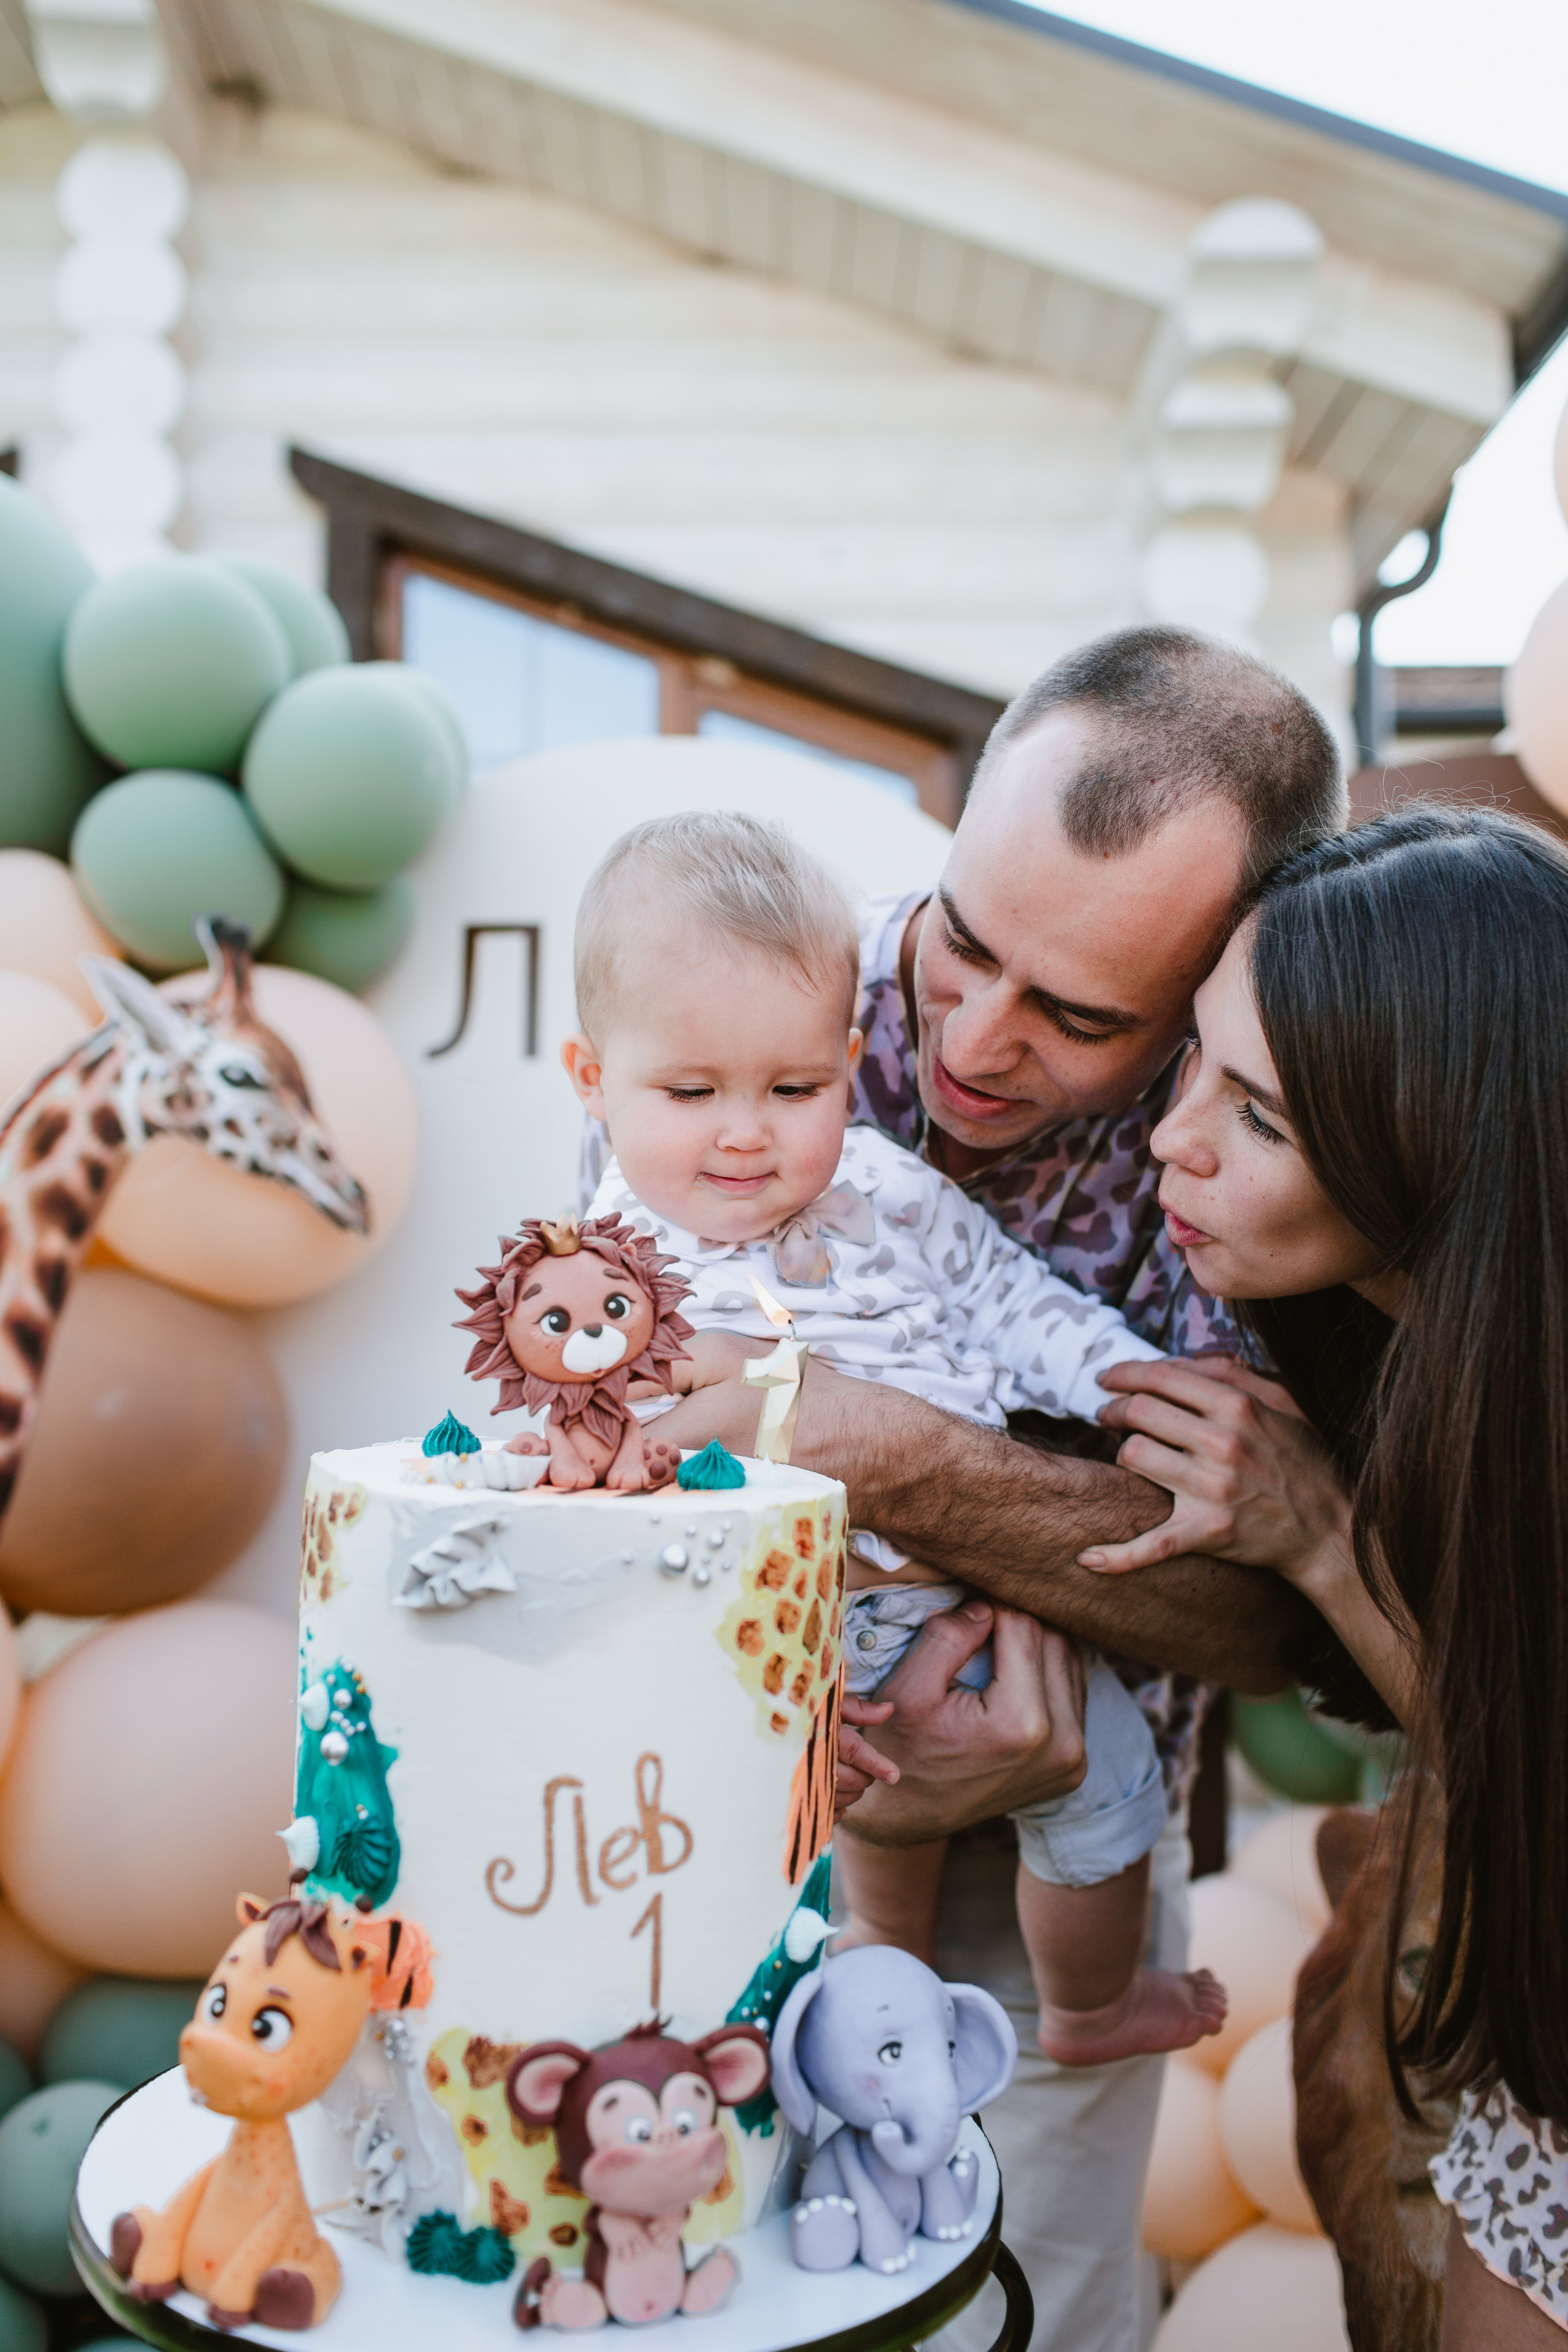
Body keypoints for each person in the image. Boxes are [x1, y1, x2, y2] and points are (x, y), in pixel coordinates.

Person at [582, 625, 1352, 2351]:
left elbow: (1264, 1617)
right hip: (701, 1828)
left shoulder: (1259, 1170)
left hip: (1062, 1874)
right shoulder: (742, 990)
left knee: (1024, 2314)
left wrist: (911, 1458)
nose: (973, 1041)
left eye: (1080, 1016)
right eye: (960, 942)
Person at [565, 809, 1227, 2065]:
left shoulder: (888, 1189)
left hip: (959, 1600)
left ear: (847, 1053)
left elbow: (1014, 1303)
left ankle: (1085, 2008)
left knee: (1104, 1788)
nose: (744, 1131)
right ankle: (880, 1992)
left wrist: (1125, 1382)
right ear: (593, 1082)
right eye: (691, 1092)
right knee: (862, 1845)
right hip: (766, 1643)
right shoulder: (607, 1269)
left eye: (793, 1087)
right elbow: (577, 1442)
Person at [1085, 805, 1568, 2347]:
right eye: (1194, 1062)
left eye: (1264, 1118)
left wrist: (1311, 1533)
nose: (1174, 1140)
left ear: (1432, 1134)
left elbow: (1531, 1771)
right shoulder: (1430, 1354)